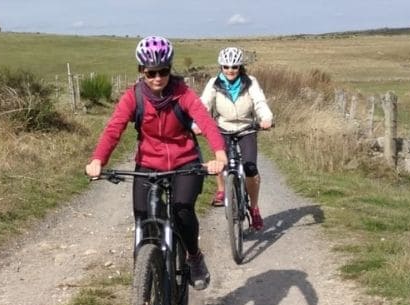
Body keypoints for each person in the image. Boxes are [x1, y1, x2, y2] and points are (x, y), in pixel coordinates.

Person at [86, 36, 228, 291]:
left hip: (184, 163)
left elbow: (205, 122)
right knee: (142, 218)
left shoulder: (182, 93)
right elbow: (113, 129)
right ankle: (142, 294)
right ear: (142, 71)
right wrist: (98, 160)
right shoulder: (134, 97)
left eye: (163, 71)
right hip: (148, 164)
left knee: (181, 209)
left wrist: (219, 153)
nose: (157, 78)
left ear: (169, 69)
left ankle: (194, 257)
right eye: (151, 73)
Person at [200, 46, 273, 231]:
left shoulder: (250, 82)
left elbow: (259, 102)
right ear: (221, 67)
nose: (230, 70)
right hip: (222, 127)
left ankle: (254, 208)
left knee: (250, 169)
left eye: (234, 67)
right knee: (221, 160)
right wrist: (197, 124)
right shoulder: (214, 83)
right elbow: (203, 106)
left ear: (240, 67)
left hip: (246, 128)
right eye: (226, 67)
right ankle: (222, 190)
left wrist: (266, 118)